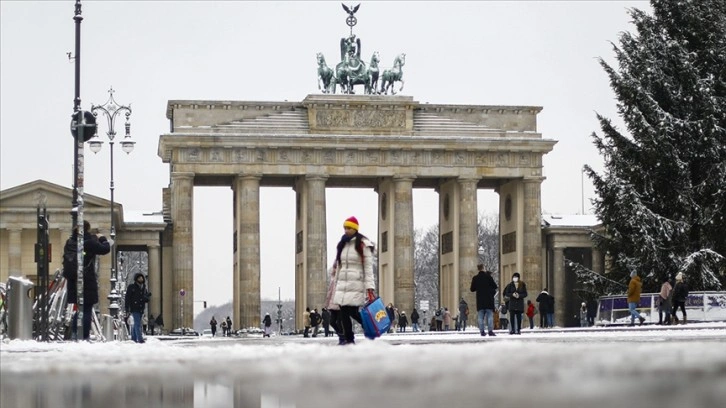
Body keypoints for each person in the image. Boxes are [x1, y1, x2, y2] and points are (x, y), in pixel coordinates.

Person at [330, 216, 376, 345]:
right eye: (345, 228)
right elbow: (340, 265)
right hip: (343, 283)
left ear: (355, 229)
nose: (346, 230)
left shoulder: (363, 244)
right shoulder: (342, 244)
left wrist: (369, 287)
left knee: (352, 311)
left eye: (349, 228)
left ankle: (369, 327)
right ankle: (349, 339)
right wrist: (336, 281)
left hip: (356, 282)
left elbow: (368, 267)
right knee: (343, 312)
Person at [65, 220, 112, 341]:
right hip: (86, 279)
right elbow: (105, 249)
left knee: (79, 308)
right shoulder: (89, 242)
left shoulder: (70, 242)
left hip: (73, 280)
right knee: (86, 309)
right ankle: (83, 335)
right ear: (87, 229)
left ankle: (75, 333)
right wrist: (102, 238)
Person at [470, 264, 498, 336]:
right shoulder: (488, 277)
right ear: (483, 268)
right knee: (489, 317)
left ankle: (482, 331)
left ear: (478, 269)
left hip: (480, 301)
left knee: (480, 317)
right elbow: (495, 286)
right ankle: (490, 331)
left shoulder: (475, 278)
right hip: (489, 300)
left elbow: (472, 289)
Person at [125, 272, 151, 344]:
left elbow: (144, 299)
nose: (141, 279)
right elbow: (127, 298)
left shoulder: (143, 288)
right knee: (138, 323)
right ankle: (140, 339)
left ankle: (133, 338)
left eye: (142, 278)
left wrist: (147, 297)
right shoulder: (131, 287)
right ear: (136, 279)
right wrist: (127, 309)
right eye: (139, 278)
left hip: (141, 308)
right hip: (134, 308)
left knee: (136, 323)